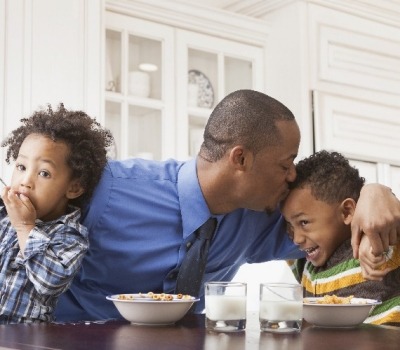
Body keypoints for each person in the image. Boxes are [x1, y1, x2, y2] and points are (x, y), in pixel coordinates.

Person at [54, 89, 400, 322]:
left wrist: (375, 191)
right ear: (241, 159)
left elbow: (335, 221)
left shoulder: (262, 218)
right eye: (286, 162)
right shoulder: (107, 189)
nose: (292, 175)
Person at [0, 104, 113, 323]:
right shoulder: (3, 217)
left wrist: (25, 227)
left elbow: (50, 281)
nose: (25, 181)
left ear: (74, 188)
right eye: (21, 167)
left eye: (43, 173)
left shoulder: (69, 236)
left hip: (23, 340)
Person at [282, 150, 400, 325]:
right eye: (290, 227)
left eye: (304, 222)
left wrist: (376, 196)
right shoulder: (304, 265)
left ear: (347, 212)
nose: (296, 239)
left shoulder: (382, 247)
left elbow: (387, 217)